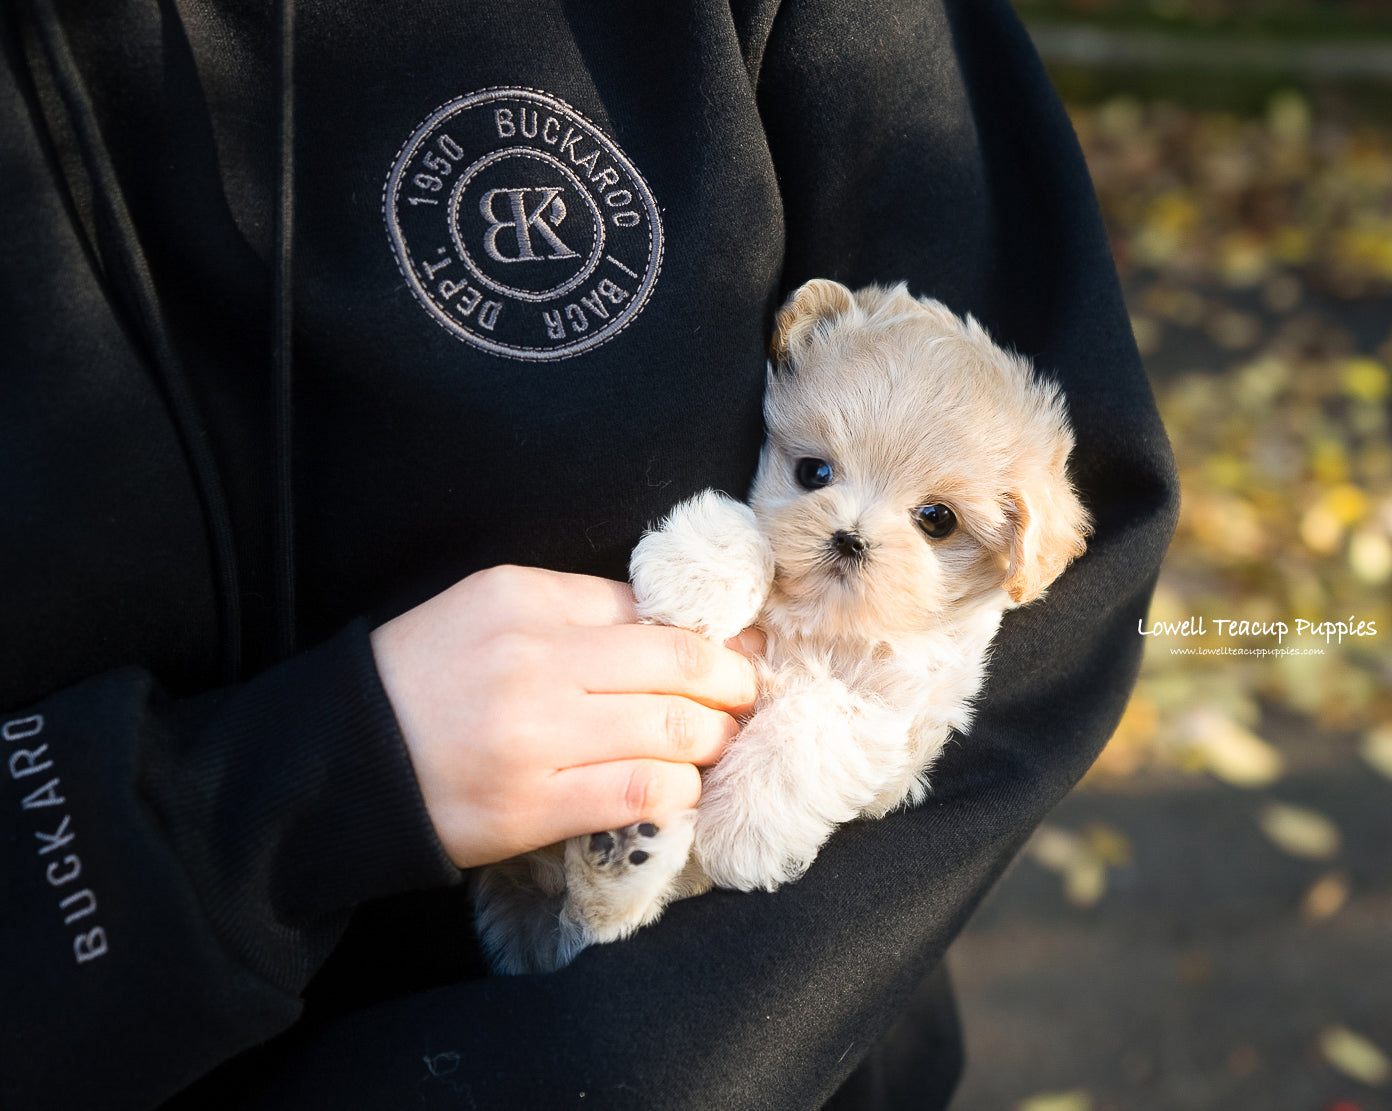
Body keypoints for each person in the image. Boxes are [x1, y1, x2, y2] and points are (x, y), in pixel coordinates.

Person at [0, 0, 1176, 1108]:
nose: (855, 525)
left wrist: (635, 1067)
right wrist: (291, 790)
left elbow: (1070, 565)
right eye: (816, 473)